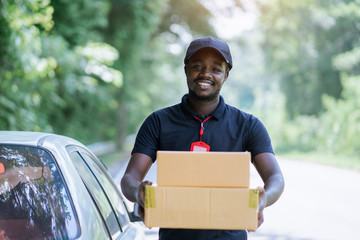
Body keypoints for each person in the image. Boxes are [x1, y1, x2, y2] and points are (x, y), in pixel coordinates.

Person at [121, 36, 285, 240]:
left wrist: (264, 198)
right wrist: (139, 193)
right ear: (186, 69)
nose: (205, 74)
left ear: (226, 74)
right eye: (197, 66)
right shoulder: (158, 122)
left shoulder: (248, 125)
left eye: (215, 68)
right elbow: (129, 178)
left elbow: (275, 178)